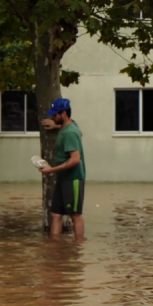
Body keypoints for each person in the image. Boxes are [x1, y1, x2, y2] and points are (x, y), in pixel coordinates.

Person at [39, 98, 86, 236]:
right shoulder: (71, 126)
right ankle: (55, 250)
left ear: (63, 114)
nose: (52, 117)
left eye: (55, 115)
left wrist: (51, 170)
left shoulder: (69, 133)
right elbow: (80, 133)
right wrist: (57, 126)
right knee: (55, 214)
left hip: (73, 179)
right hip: (63, 179)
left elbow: (76, 160)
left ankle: (78, 250)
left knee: (75, 215)